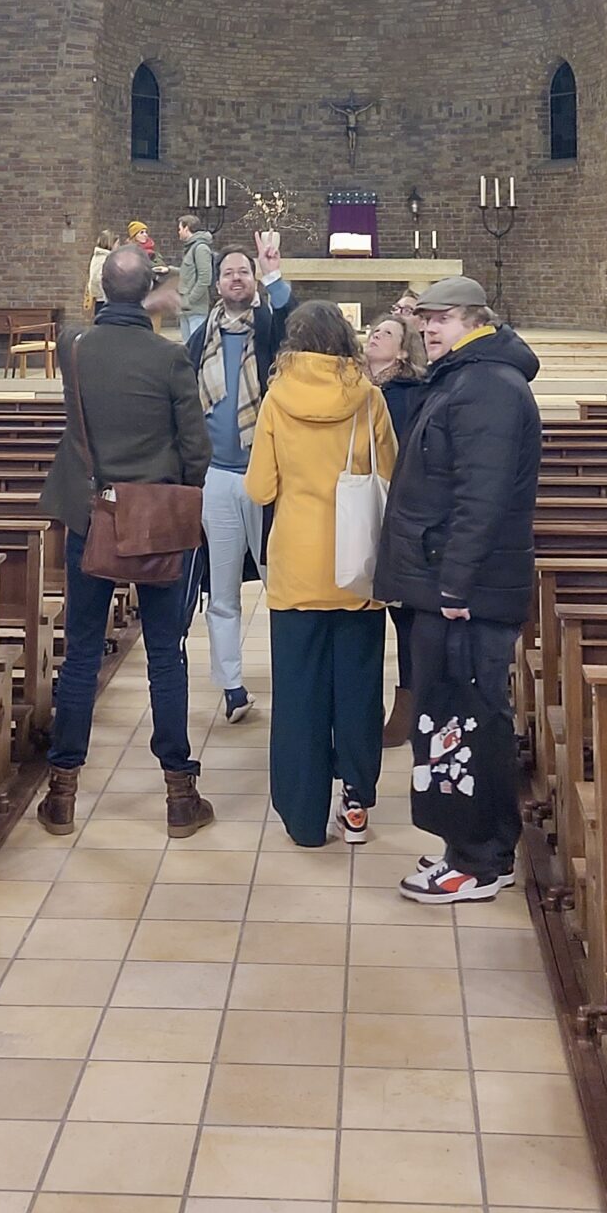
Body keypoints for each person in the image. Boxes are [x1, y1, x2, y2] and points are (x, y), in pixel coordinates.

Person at [36, 241, 216, 840]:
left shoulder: (75, 348)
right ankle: (179, 796)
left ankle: (62, 792)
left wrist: (134, 298)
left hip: (91, 513)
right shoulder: (168, 360)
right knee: (166, 653)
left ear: (100, 292)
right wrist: (175, 494)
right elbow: (196, 449)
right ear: (147, 293)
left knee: (83, 651)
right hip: (156, 518)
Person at [375, 273, 541, 903]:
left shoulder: (487, 388)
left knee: (465, 719)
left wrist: (454, 583)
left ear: (475, 319)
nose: (426, 328)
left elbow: (483, 497)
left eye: (439, 319)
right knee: (452, 715)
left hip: (462, 590)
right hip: (450, 581)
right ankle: (469, 845)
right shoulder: (468, 379)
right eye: (423, 319)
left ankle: (477, 859)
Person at [246, 302, 397, 847]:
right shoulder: (369, 398)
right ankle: (355, 806)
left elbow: (260, 488)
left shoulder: (276, 399)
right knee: (358, 691)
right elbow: (393, 474)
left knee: (299, 694)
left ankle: (305, 819)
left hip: (297, 566)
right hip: (357, 567)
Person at [185, 230, 292, 724]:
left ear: (253, 281)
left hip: (268, 477)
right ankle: (231, 687)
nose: (235, 278)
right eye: (228, 271)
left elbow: (297, 321)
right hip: (218, 479)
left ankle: (292, 676)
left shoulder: (270, 328)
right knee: (222, 590)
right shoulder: (198, 339)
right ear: (217, 283)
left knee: (281, 583)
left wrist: (273, 270)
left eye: (243, 272)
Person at [363, 312, 426, 747]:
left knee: (404, 618)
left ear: (402, 351)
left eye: (386, 333)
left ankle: (407, 708)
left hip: (396, 512)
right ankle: (364, 707)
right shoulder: (352, 387)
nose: (374, 335)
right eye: (372, 330)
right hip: (357, 511)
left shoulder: (408, 394)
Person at [175, 212, 218, 342]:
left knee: (196, 346)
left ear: (187, 228)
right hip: (186, 309)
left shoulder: (200, 248)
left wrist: (189, 300)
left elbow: (205, 278)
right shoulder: (191, 247)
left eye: (180, 228)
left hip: (196, 310)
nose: (179, 232)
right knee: (188, 347)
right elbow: (188, 272)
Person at [84, 227, 116, 316]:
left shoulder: (101, 257)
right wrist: (108, 297)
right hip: (104, 301)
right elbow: (98, 279)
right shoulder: (102, 258)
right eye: (117, 243)